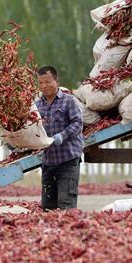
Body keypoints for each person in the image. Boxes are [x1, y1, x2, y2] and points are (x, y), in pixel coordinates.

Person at [35, 65, 83, 210]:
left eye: (48, 81)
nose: (44, 86)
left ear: (56, 81)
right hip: (48, 162)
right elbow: (33, 130)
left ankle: (69, 232)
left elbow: (78, 123)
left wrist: (62, 136)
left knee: (65, 204)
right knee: (48, 206)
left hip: (67, 161)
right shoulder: (37, 105)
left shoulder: (69, 101)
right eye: (41, 82)